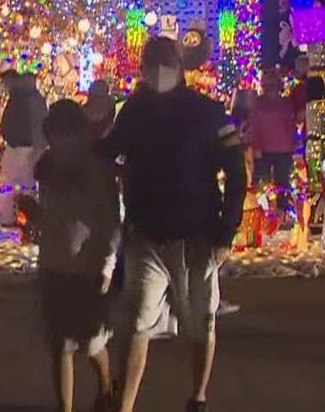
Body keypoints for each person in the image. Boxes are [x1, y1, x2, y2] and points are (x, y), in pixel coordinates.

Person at [100, 37, 246, 412]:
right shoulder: (134, 111)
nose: (158, 73)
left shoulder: (206, 111)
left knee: (202, 321)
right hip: (147, 233)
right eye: (152, 65)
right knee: (137, 324)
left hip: (197, 233)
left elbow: (235, 171)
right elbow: (109, 149)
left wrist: (227, 231)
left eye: (163, 64)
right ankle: (124, 405)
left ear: (180, 68)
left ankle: (197, 398)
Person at [35, 99, 121, 412]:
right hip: (54, 264)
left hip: (88, 266)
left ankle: (106, 384)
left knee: (92, 341)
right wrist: (34, 217)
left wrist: (107, 266)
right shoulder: (47, 167)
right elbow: (51, 216)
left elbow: (111, 221)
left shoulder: (96, 169)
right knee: (60, 344)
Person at [0, 71, 47, 226]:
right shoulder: (33, 99)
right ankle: (23, 218)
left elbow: (35, 124)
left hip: (21, 147)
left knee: (13, 183)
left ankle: (12, 216)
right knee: (24, 184)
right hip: (25, 147)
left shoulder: (21, 99)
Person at [248, 69, 296, 210]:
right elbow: (254, 126)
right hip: (264, 150)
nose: (272, 87)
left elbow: (290, 124)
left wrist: (293, 143)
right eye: (269, 84)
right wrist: (256, 147)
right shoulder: (258, 104)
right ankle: (264, 213)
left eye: (274, 83)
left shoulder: (286, 103)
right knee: (263, 184)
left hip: (283, 148)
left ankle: (282, 211)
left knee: (282, 183)